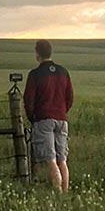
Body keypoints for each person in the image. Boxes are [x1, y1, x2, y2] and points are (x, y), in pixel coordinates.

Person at [23, 40, 73, 192]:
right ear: (50, 52)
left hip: (44, 119)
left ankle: (58, 194)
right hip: (61, 119)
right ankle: (65, 194)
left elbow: (28, 100)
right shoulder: (63, 71)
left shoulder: (35, 74)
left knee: (51, 160)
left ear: (37, 53)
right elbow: (69, 97)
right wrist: (62, 111)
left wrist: (33, 118)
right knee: (62, 160)